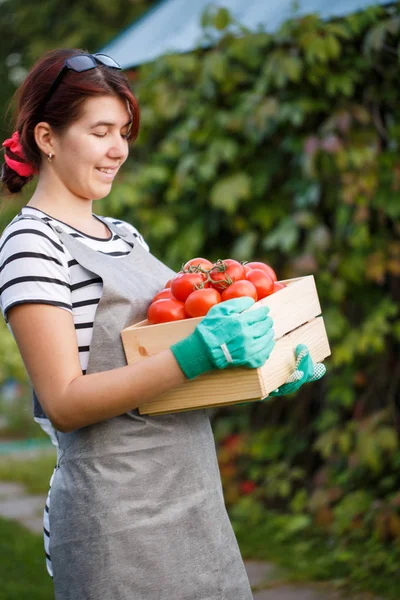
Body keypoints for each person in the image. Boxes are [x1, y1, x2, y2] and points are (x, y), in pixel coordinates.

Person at [0, 49, 325, 599]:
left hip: (192, 496)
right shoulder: (30, 244)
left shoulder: (125, 235)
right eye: (100, 131)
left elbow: (159, 371)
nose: (118, 150)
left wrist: (260, 369)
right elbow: (65, 400)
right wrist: (199, 353)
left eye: (124, 132)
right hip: (115, 518)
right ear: (46, 137)